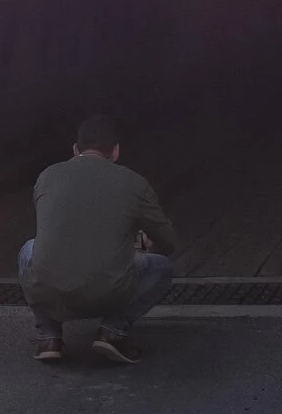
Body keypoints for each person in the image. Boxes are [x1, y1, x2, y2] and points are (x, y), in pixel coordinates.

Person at [17, 114, 177, 365]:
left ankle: (50, 337)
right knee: (162, 268)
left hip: (48, 290)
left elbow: (55, 229)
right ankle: (113, 332)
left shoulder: (47, 176)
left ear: (75, 149)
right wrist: (139, 249)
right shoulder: (134, 183)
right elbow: (168, 241)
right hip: (107, 293)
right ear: (115, 151)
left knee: (29, 248)